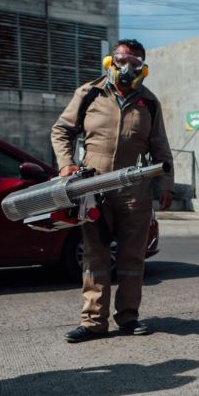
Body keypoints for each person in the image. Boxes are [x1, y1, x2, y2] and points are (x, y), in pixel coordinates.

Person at [51, 39, 174, 343]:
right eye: (122, 59)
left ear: (142, 67)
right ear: (110, 61)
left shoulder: (149, 102)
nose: (127, 67)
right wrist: (66, 164)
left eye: (134, 61)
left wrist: (166, 185)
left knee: (133, 257)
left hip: (135, 189)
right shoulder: (90, 92)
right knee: (95, 254)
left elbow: (161, 147)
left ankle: (129, 317)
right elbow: (61, 130)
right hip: (94, 186)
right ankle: (93, 322)